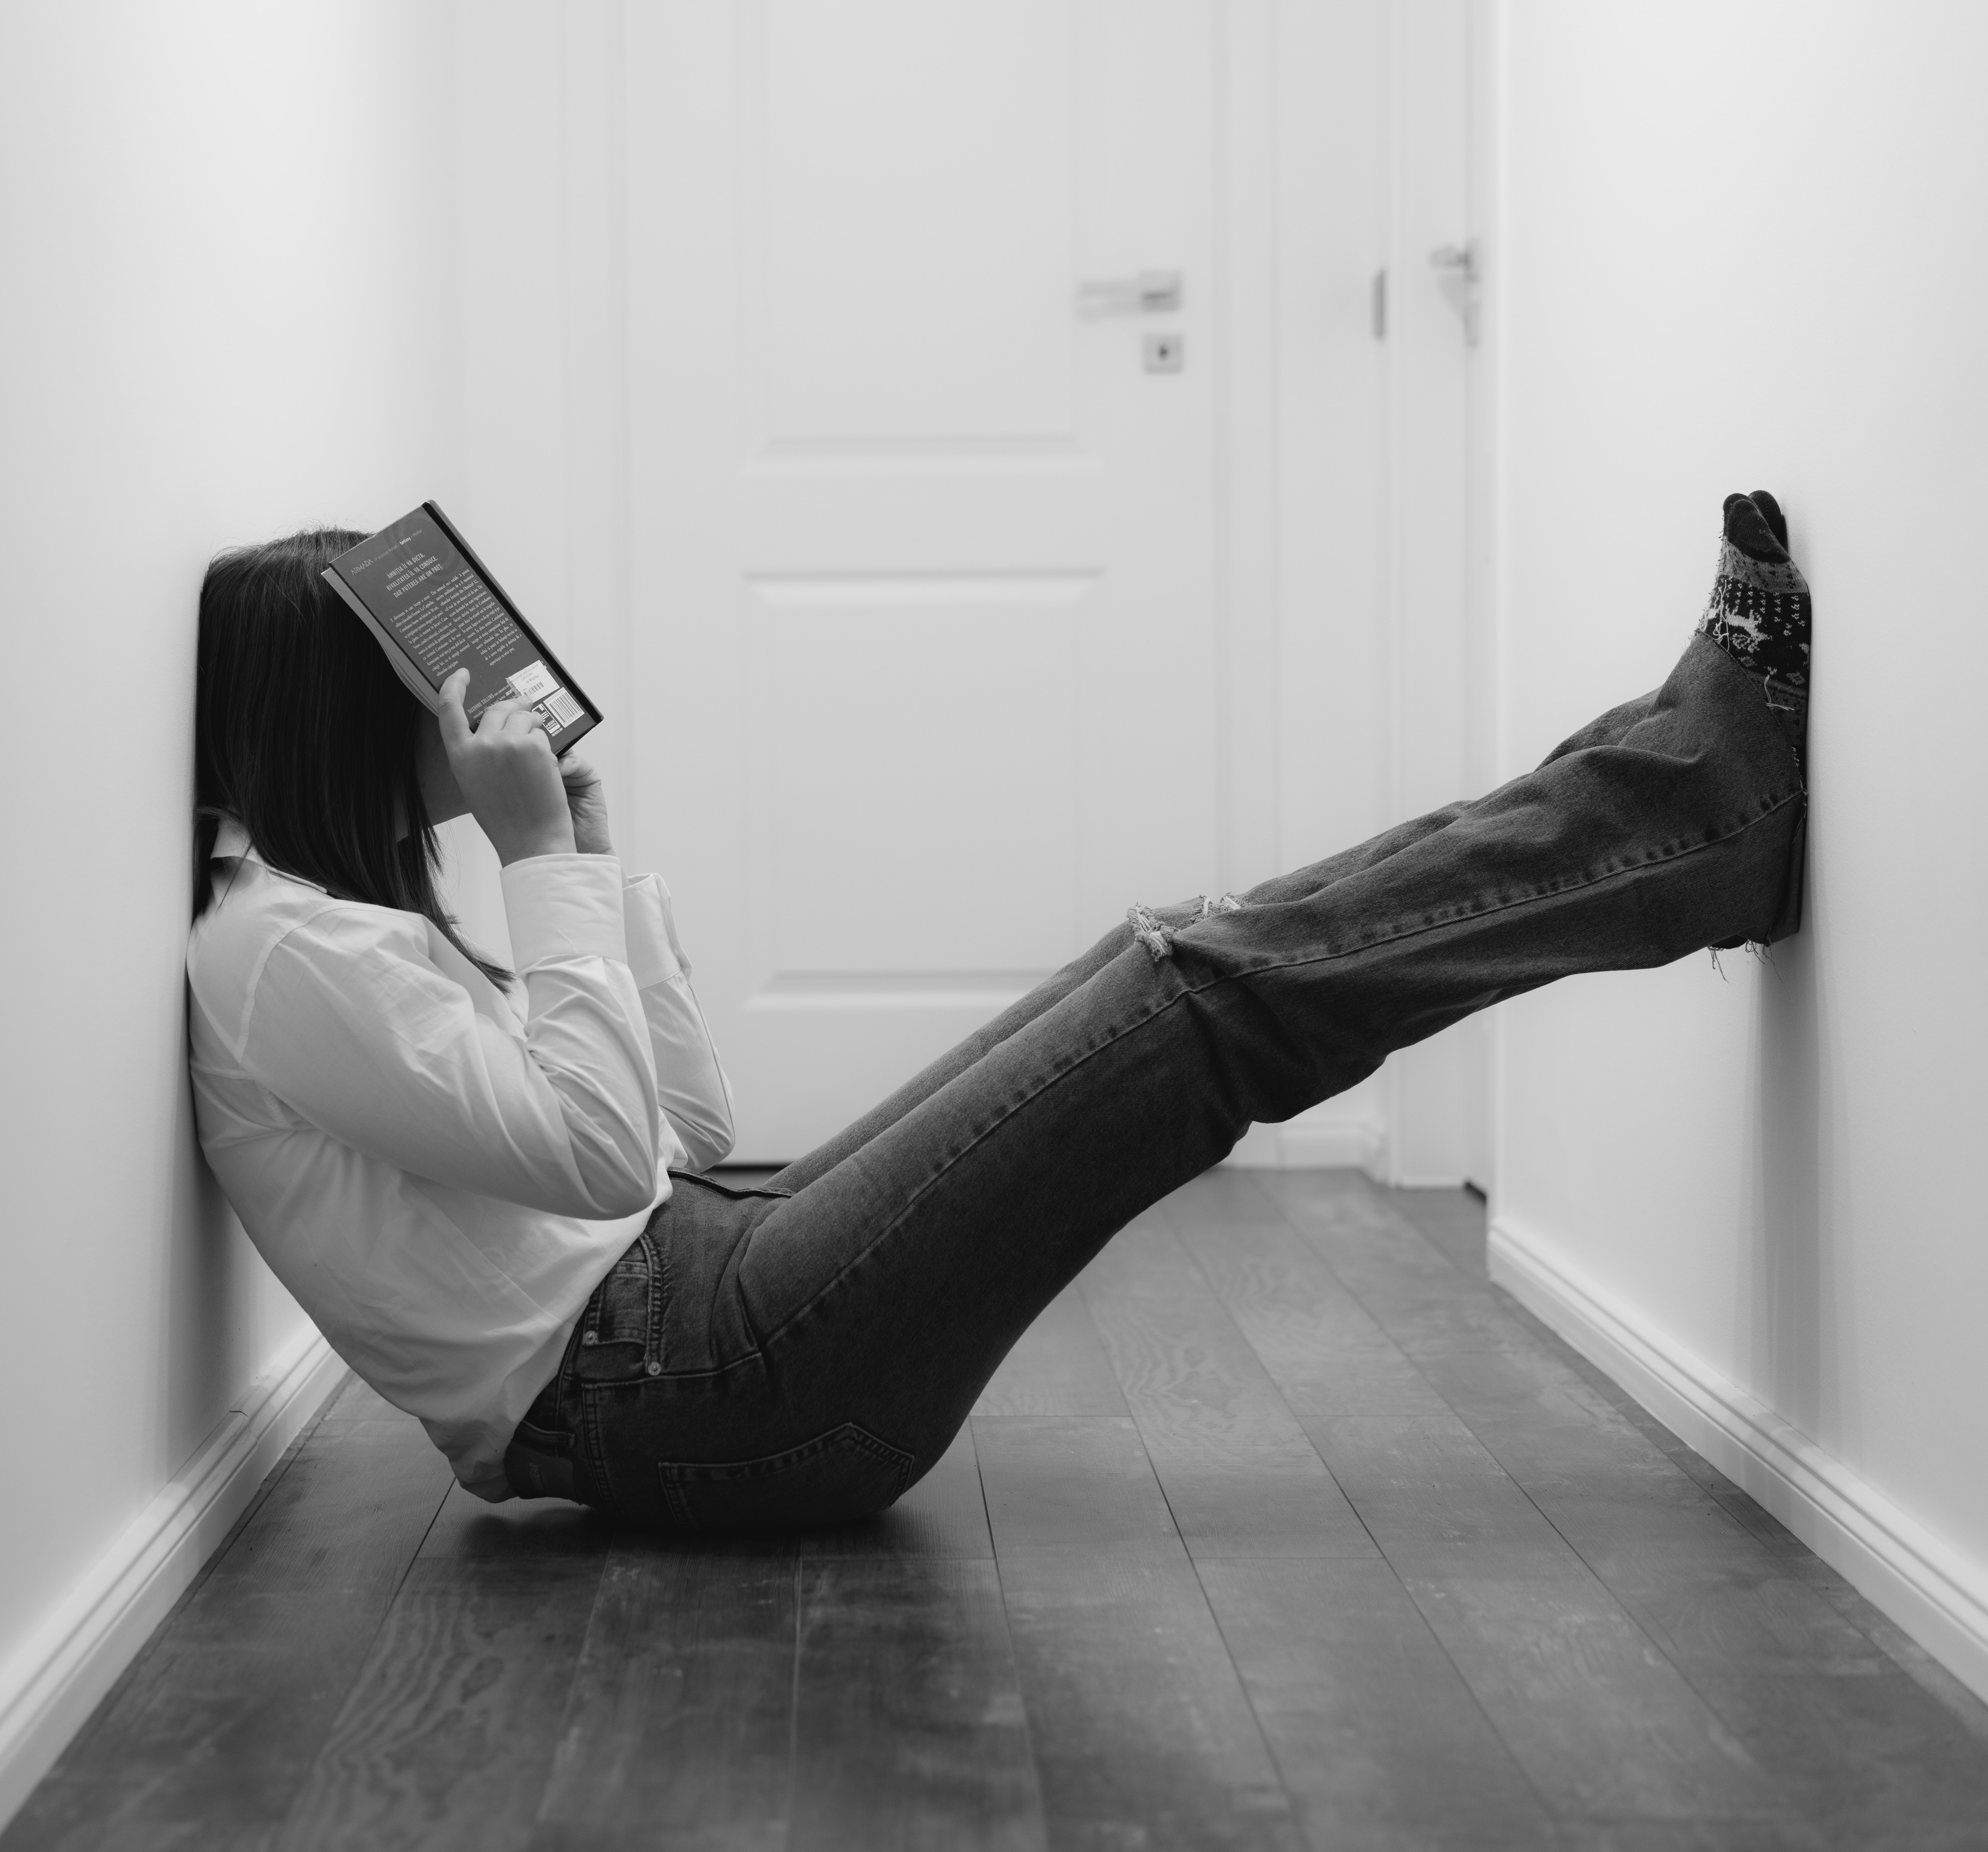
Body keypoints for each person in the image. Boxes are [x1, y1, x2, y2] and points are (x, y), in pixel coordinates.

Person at [185, 494, 1812, 1532]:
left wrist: (588, 873)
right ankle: (1687, 817)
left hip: (692, 1291)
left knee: (1171, 961)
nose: (463, 710)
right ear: (340, 719)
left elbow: (679, 1146)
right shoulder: (275, 955)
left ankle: (1671, 799)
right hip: (691, 1393)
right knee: (1191, 997)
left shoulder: (340, 935)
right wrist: (535, 856)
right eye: (419, 683)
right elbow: (612, 1168)